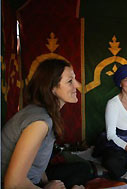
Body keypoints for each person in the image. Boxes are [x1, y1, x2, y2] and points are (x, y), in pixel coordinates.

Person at [2, 59, 86, 189]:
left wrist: (46, 182)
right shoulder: (39, 123)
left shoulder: (45, 113)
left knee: (83, 169)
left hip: (32, 179)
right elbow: (12, 184)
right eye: (70, 81)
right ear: (52, 88)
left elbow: (35, 161)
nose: (78, 85)